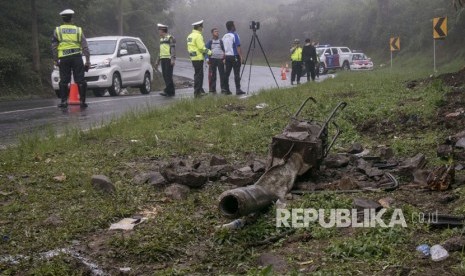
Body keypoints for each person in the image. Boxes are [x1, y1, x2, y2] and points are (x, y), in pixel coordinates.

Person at [51, 9, 90, 108]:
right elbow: (85, 47)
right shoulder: (78, 30)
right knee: (80, 80)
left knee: (64, 80)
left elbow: (54, 46)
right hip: (77, 57)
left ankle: (64, 102)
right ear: (72, 19)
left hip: (64, 58)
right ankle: (82, 101)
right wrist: (88, 61)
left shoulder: (58, 30)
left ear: (63, 19)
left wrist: (55, 60)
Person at [187, 20, 211, 98]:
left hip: (193, 58)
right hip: (198, 58)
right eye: (202, 26)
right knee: (199, 76)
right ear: (199, 27)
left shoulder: (190, 36)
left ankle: (200, 90)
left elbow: (190, 47)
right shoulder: (198, 36)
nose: (202, 28)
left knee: (197, 74)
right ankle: (197, 93)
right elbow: (201, 48)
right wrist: (210, 52)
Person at [222, 21, 245, 95]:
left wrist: (224, 57)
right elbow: (238, 47)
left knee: (226, 74)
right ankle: (238, 89)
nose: (235, 26)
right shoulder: (235, 35)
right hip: (235, 56)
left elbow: (223, 47)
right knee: (236, 73)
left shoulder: (224, 36)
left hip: (227, 57)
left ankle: (226, 90)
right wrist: (241, 57)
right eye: (234, 25)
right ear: (232, 27)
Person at [155, 23, 176, 97]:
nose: (159, 32)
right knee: (164, 75)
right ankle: (171, 91)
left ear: (163, 31)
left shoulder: (170, 38)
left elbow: (173, 49)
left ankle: (168, 91)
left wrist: (172, 59)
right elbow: (160, 51)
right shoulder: (161, 39)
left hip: (168, 59)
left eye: (159, 30)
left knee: (168, 75)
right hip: (163, 59)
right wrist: (157, 61)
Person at [206, 28, 226, 93]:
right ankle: (212, 88)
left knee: (222, 74)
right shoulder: (210, 41)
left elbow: (225, 50)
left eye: (217, 31)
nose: (217, 32)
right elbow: (206, 50)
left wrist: (224, 58)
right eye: (215, 31)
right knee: (213, 74)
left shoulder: (221, 41)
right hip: (212, 59)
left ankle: (223, 88)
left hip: (220, 59)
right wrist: (207, 58)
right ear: (212, 33)